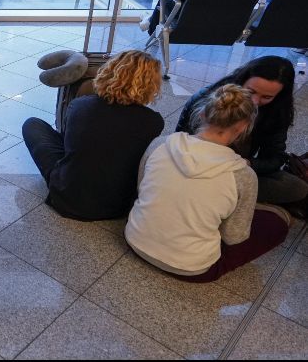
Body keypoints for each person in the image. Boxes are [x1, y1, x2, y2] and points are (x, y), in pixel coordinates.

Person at [126, 85, 291, 283]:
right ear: (242, 128)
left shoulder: (160, 144)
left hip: (135, 241)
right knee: (276, 223)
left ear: (202, 114)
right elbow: (233, 236)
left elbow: (141, 188)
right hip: (193, 269)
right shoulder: (243, 175)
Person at [22, 50, 165, 220]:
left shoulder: (80, 105)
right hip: (118, 207)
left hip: (66, 198)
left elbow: (70, 144)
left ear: (108, 71)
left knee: (32, 125)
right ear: (151, 85)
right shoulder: (154, 122)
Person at [176, 56, 308, 218]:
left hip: (237, 170)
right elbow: (182, 145)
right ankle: (234, 201)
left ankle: (228, 198)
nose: (254, 101)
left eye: (267, 97)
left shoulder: (276, 112)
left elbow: (275, 158)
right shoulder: (209, 98)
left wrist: (248, 163)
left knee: (296, 187)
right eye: (250, 92)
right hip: (201, 170)